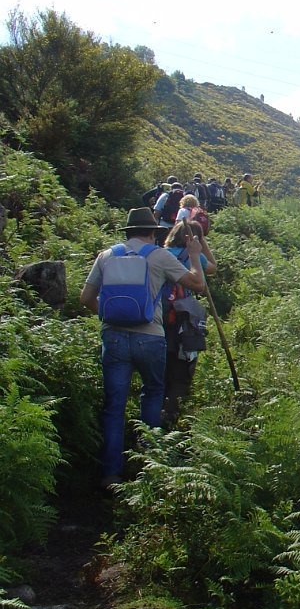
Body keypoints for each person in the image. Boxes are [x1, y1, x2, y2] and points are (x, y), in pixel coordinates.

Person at [79, 207, 206, 490]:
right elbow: (197, 284)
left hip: (113, 338)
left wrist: (110, 316)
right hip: (150, 336)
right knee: (153, 394)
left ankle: (111, 475)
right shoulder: (158, 256)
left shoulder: (107, 256)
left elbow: (85, 298)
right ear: (152, 232)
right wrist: (195, 253)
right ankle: (149, 465)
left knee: (114, 406)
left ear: (128, 232)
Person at [161, 220, 216, 427]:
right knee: (182, 366)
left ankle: (155, 415)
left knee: (162, 367)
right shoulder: (195, 258)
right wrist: (201, 246)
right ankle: (171, 417)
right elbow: (213, 267)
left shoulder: (161, 254)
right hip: (184, 319)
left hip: (160, 317)